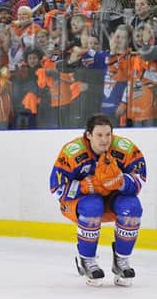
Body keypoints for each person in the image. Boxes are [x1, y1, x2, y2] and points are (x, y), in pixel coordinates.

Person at [49, 113, 146, 286]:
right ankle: (87, 260)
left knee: (132, 207)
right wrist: (87, 186)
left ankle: (121, 261)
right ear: (89, 135)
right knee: (92, 206)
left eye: (108, 134)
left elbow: (140, 178)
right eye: (99, 135)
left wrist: (121, 182)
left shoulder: (125, 149)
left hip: (111, 200)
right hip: (80, 203)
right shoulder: (72, 152)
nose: (105, 140)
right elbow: (56, 188)